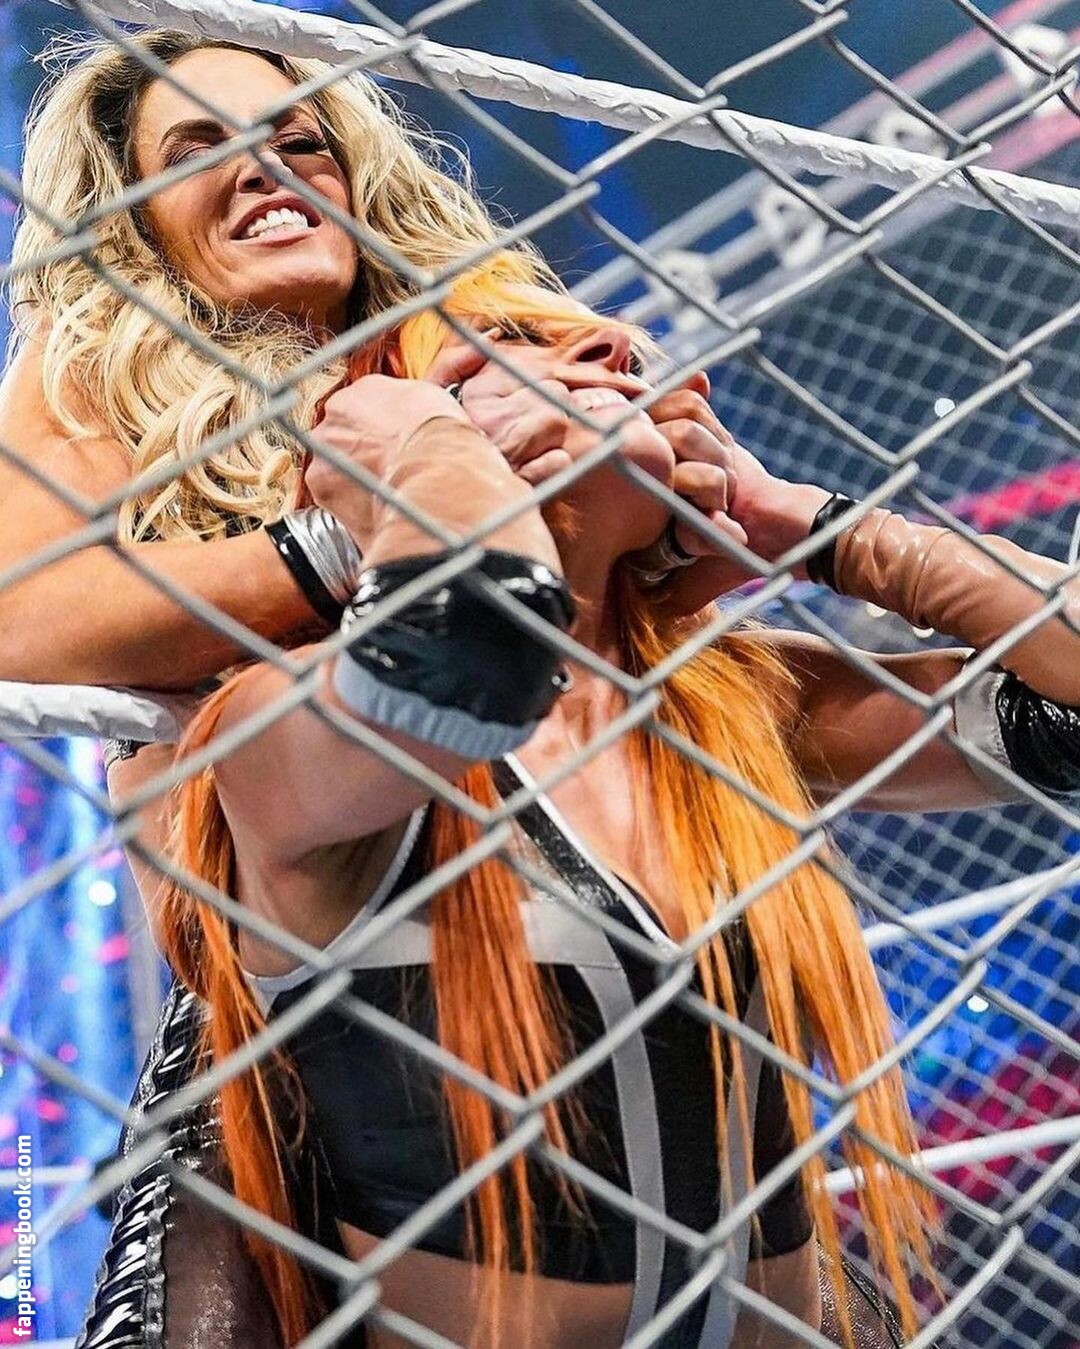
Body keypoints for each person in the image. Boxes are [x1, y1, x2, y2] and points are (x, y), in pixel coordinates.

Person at [4, 28, 1078, 1349]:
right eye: (200, 146)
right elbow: (448, 641)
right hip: (334, 1002)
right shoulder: (247, 655)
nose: (611, 359)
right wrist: (398, 492)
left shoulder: (719, 700)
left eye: (301, 138)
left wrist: (822, 529)